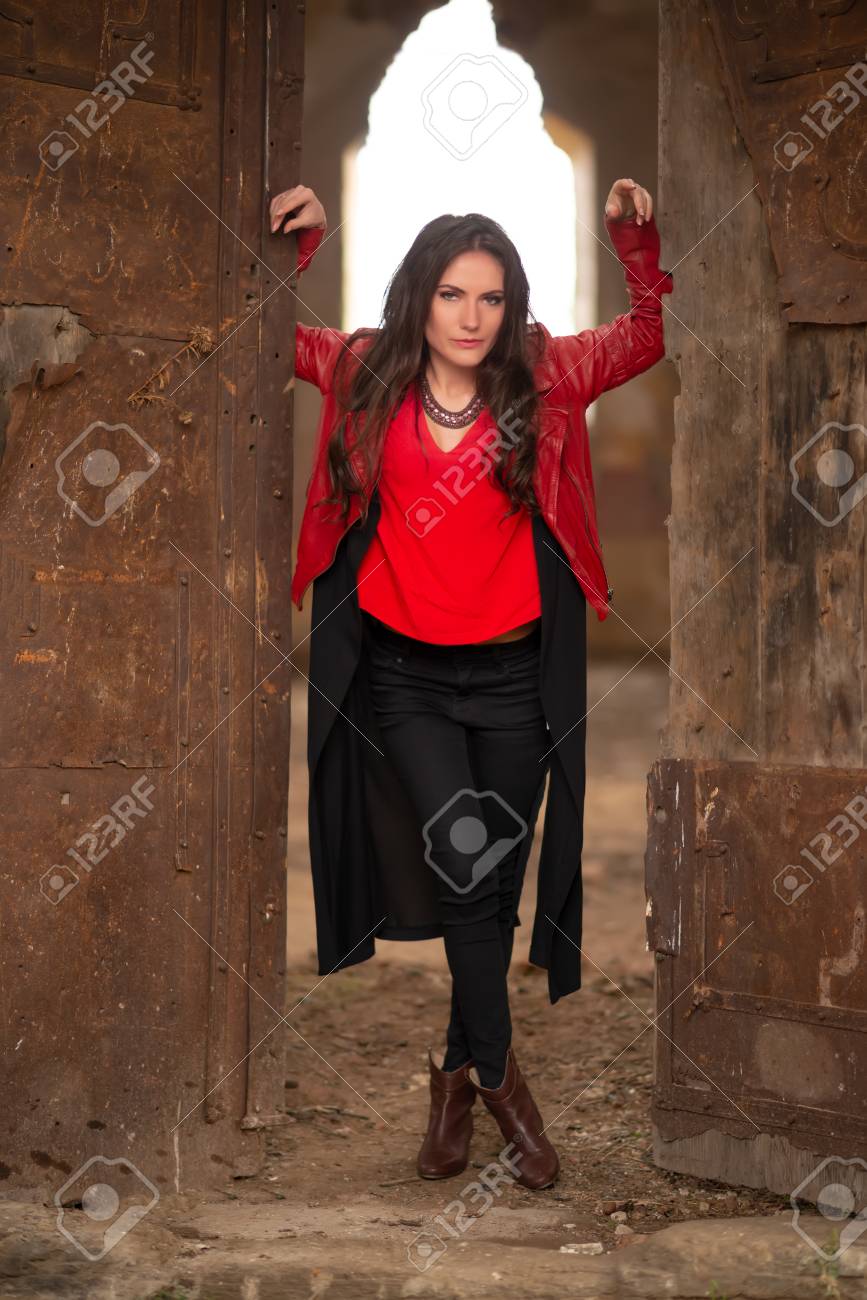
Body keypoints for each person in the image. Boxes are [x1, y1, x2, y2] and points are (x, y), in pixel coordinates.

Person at [270, 180, 672, 1190]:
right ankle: (504, 1089)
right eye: (453, 295)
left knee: (490, 883)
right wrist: (298, 247)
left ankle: (449, 1076)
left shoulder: (546, 375)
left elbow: (647, 335)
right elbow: (259, 333)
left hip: (515, 681)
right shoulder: (363, 368)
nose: (471, 317)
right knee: (462, 866)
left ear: (510, 306)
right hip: (404, 679)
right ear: (421, 296)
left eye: (491, 299)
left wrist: (636, 241)